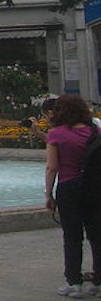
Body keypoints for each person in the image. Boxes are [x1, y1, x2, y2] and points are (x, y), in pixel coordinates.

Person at [44, 94, 101, 297]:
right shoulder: (96, 131)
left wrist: (48, 193)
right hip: (94, 188)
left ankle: (74, 282)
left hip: (69, 187)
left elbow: (52, 167)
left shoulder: (56, 134)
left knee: (72, 236)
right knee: (97, 235)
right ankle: (98, 281)